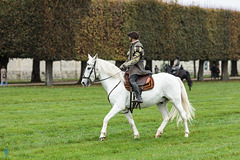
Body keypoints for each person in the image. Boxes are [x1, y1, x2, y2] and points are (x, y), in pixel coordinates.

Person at [120, 31, 151, 103]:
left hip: (137, 69)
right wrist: (123, 65)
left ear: (132, 37)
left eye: (129, 37)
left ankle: (138, 97)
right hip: (132, 69)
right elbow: (129, 59)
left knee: (132, 80)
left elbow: (136, 59)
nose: (128, 38)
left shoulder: (138, 46)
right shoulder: (132, 46)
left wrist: (126, 65)